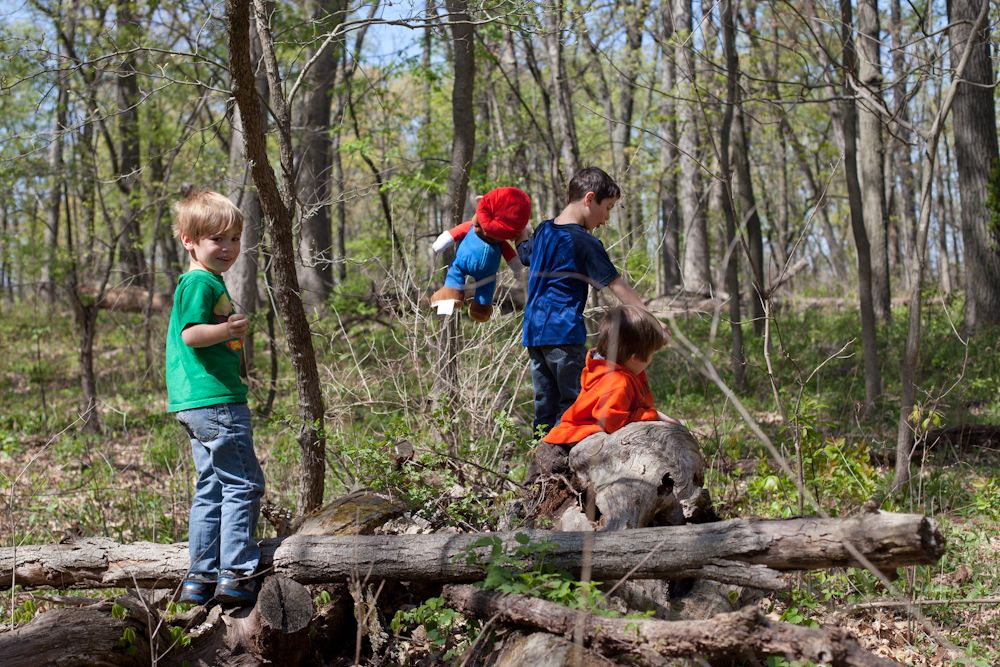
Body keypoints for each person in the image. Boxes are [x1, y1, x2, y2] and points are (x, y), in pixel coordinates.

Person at [166, 190, 265, 606]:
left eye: (234, 239)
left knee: (211, 485)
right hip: (216, 401)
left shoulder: (207, 281)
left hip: (198, 403)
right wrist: (228, 331)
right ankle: (237, 573)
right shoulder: (199, 282)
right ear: (189, 240)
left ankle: (200, 578)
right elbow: (191, 335)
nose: (227, 248)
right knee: (243, 483)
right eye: (216, 239)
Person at [517, 167, 666, 436]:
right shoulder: (582, 242)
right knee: (575, 406)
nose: (606, 218)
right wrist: (652, 321)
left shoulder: (544, 231)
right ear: (589, 199)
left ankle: (542, 463)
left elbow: (523, 253)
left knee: (545, 408)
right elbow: (616, 285)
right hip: (563, 334)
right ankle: (567, 467)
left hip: (534, 334)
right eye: (607, 208)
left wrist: (517, 229)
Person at [529, 305, 681, 480]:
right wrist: (653, 415)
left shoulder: (606, 368)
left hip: (562, 444)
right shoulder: (617, 381)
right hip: (562, 450)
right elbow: (611, 421)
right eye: (651, 354)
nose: (651, 360)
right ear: (633, 356)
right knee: (542, 494)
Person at [430, 186, 532, 322]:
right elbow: (454, 233)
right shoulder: (471, 228)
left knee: (481, 282)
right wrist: (442, 242)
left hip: (482, 271)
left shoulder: (500, 243)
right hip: (472, 267)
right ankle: (453, 296)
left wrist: (517, 267)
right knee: (460, 273)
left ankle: (481, 307)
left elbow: (511, 256)